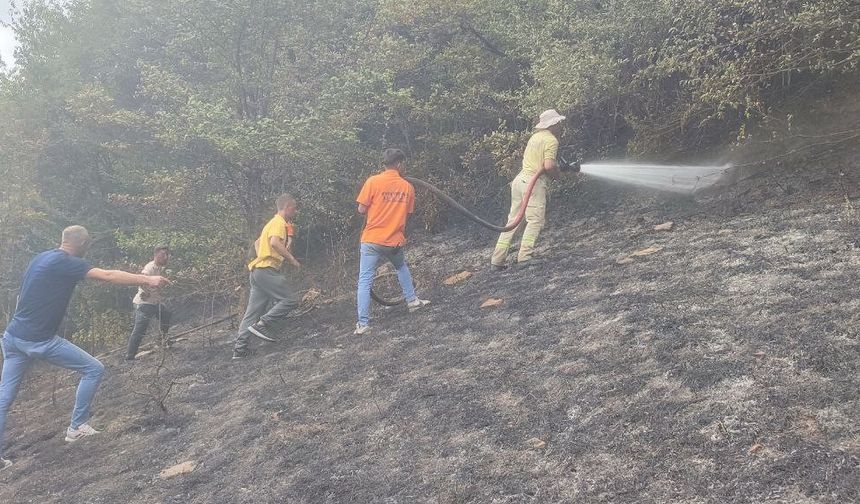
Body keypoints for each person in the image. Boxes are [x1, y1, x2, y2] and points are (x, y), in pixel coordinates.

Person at [0, 226, 168, 470]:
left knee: (4, 398)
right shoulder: (67, 262)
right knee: (94, 369)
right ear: (83, 243)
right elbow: (108, 275)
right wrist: (147, 278)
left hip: (13, 337)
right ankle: (77, 427)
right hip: (40, 341)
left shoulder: (41, 257)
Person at [354, 148, 430, 335]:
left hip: (371, 240)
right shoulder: (407, 187)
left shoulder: (372, 181)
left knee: (365, 280)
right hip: (393, 240)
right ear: (399, 164)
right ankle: (412, 301)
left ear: (385, 164)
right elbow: (408, 213)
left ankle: (363, 324)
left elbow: (361, 210)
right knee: (401, 267)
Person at [490, 109, 566, 270]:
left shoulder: (536, 136)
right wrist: (558, 176)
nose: (561, 125)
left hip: (519, 181)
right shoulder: (551, 140)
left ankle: (497, 260)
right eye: (559, 123)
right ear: (553, 124)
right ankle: (525, 257)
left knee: (513, 222)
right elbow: (549, 166)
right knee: (535, 220)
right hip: (533, 183)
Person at [232, 194, 302, 360]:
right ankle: (264, 323)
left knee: (251, 313)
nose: (295, 211)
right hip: (267, 270)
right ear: (286, 207)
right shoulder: (279, 222)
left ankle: (239, 350)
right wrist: (292, 259)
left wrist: (290, 237)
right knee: (290, 300)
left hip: (257, 272)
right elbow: (274, 244)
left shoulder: (271, 224)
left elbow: (258, 244)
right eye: (294, 208)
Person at [125, 245, 171, 361]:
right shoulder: (149, 267)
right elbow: (142, 278)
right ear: (156, 255)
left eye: (166, 255)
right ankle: (129, 357)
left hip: (155, 302)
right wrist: (146, 291)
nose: (165, 257)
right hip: (144, 304)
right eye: (162, 255)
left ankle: (163, 341)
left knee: (166, 314)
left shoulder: (161, 267)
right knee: (140, 330)